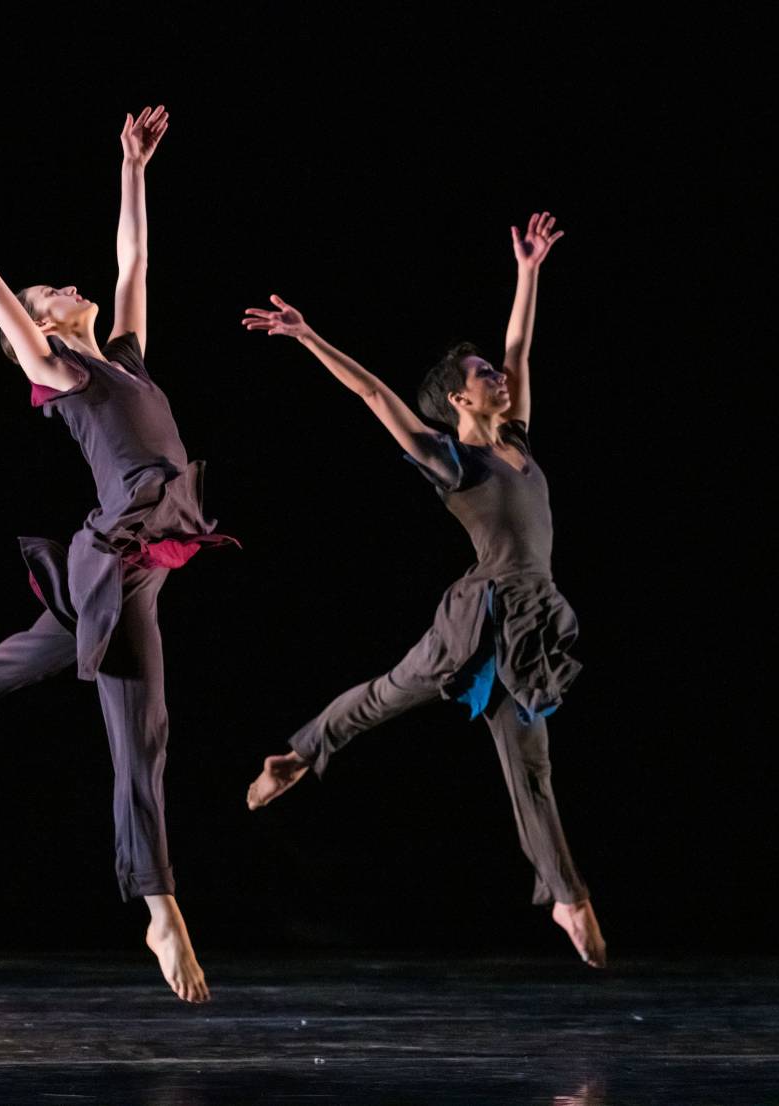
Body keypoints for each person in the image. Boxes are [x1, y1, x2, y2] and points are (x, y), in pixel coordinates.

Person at [0, 106, 232, 1004]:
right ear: (44, 331)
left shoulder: (125, 357)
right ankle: (159, 906)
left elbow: (134, 263)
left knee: (45, 649)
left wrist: (132, 165)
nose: (65, 286)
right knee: (141, 728)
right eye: (49, 294)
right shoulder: (62, 372)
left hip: (131, 550)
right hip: (119, 548)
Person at [240, 213, 605, 967]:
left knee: (530, 763)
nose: (497, 376)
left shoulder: (517, 440)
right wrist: (308, 336)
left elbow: (519, 347)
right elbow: (373, 393)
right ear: (459, 400)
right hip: (481, 616)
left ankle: (566, 899)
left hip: (534, 622)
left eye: (494, 373)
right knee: (386, 694)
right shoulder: (450, 461)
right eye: (482, 376)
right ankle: (302, 753)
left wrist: (529, 273)